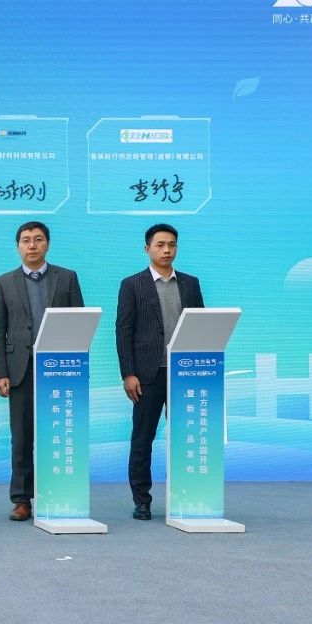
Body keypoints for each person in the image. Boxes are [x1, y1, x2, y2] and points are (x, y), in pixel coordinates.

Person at [0, 221, 84, 521]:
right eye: (26, 240)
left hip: (60, 368)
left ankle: (59, 493)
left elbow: (79, 324)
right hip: (21, 369)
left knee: (60, 431)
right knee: (21, 437)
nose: (32, 245)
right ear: (18, 246)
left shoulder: (67, 278)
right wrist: (0, 373)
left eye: (38, 239)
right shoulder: (4, 282)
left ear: (48, 244)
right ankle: (22, 499)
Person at [115, 223, 204, 520]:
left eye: (172, 245)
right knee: (143, 439)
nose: (167, 250)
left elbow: (201, 326)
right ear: (147, 249)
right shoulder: (132, 284)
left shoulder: (190, 283)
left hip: (184, 374)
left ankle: (187, 495)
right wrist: (128, 373)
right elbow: (123, 331)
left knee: (186, 435)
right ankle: (142, 500)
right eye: (160, 245)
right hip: (147, 375)